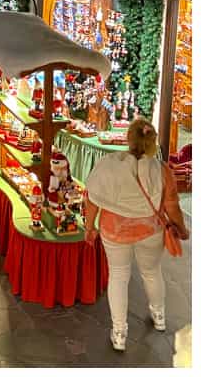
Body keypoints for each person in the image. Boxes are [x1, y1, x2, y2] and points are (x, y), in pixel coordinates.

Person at [84, 117, 189, 351]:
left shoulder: (108, 164)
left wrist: (89, 227)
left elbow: (92, 199)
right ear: (152, 142)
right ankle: (159, 317)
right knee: (152, 272)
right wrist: (181, 229)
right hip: (150, 231)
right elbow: (172, 206)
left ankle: (119, 333)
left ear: (127, 138)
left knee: (119, 276)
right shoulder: (161, 170)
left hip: (114, 230)